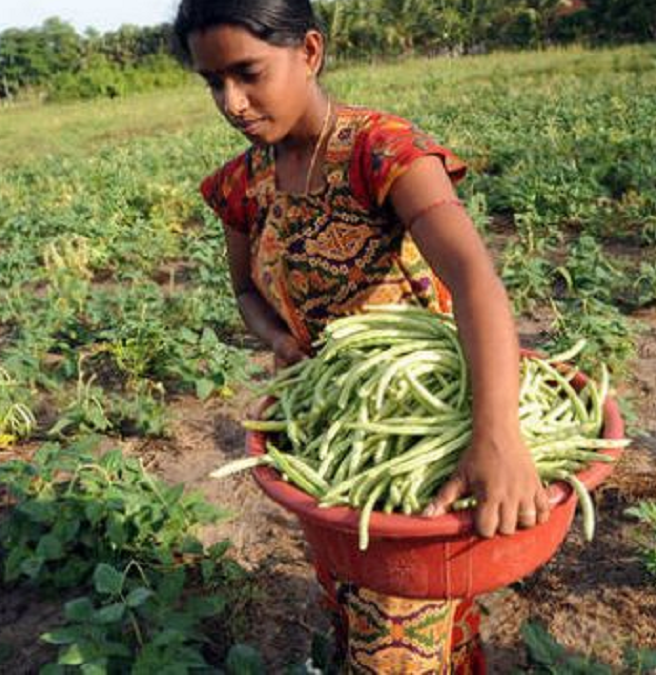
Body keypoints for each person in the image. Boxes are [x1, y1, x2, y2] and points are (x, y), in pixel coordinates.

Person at [174, 1, 549, 671]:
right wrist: (281, 342)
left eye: (248, 72)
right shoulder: (241, 184)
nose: (232, 101)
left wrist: (497, 435)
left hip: (422, 423)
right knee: (351, 588)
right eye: (213, 81)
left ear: (309, 52)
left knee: (400, 626)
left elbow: (472, 276)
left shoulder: (382, 151)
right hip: (341, 430)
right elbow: (244, 291)